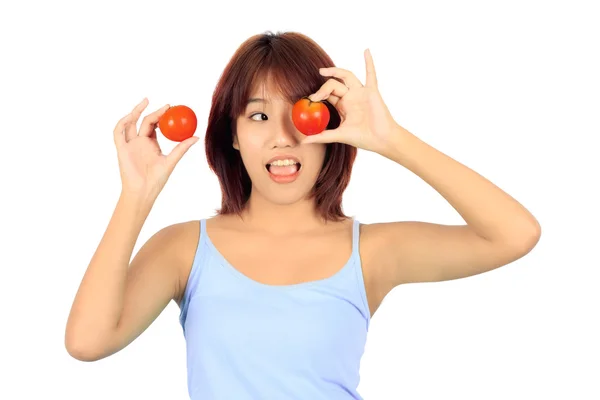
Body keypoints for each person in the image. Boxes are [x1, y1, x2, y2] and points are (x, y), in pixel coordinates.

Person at [65, 31, 541, 399]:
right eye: (257, 115)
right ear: (231, 135)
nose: (283, 137)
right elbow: (87, 342)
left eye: (302, 111)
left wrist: (392, 139)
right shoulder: (184, 249)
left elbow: (515, 234)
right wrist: (136, 195)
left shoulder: (372, 252)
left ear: (331, 125)